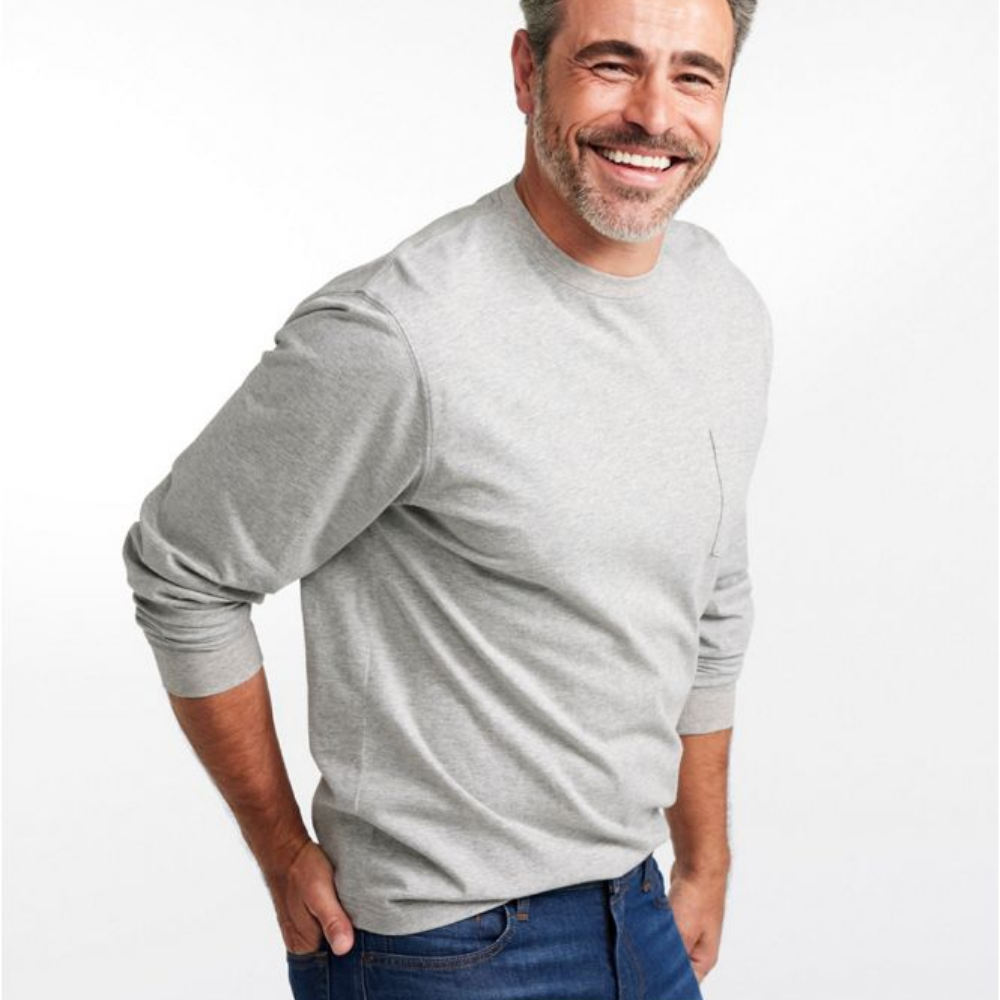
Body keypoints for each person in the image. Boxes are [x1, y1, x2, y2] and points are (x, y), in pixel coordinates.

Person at [121, 0, 771, 996]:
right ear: (528, 72)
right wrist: (280, 847)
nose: (653, 113)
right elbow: (183, 570)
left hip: (637, 909)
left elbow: (711, 598)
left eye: (694, 75)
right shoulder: (400, 333)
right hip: (442, 946)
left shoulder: (720, 307)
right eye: (611, 64)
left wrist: (705, 859)